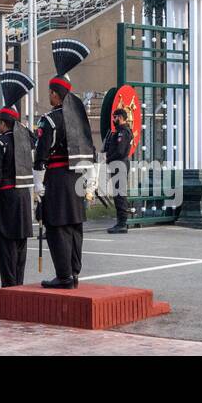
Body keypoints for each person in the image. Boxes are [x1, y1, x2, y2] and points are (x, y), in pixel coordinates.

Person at [35, 39, 98, 289]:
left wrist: (38, 186)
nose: (48, 96)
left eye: (50, 92)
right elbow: (90, 151)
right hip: (77, 178)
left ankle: (63, 277)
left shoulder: (49, 120)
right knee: (74, 227)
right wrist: (91, 182)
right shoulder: (77, 118)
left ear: (55, 94)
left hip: (58, 179)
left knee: (57, 227)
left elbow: (42, 155)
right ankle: (74, 272)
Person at [0, 71, 35, 297]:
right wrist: (21, 126)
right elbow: (35, 139)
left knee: (6, 245)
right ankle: (19, 287)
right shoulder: (25, 137)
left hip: (6, 195)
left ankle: (8, 289)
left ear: (2, 123)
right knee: (20, 244)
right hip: (24, 195)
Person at [102, 106, 134, 234]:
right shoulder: (120, 131)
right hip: (118, 164)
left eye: (114, 117)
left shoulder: (123, 132)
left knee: (119, 194)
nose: (113, 120)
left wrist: (109, 158)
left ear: (120, 118)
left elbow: (120, 151)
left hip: (119, 164)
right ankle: (121, 221)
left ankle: (122, 223)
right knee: (118, 193)